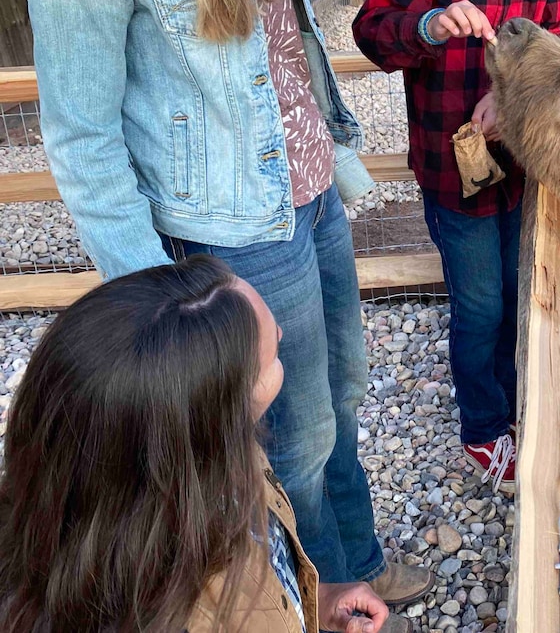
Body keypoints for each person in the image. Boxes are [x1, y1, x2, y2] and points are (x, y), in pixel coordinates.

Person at [22, 0, 432, 606]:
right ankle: (304, 598)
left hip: (309, 195)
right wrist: (158, 314)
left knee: (342, 396)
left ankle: (350, 559)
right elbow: (84, 143)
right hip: (235, 234)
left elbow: (284, 57)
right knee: (290, 434)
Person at [353, 0, 560, 494]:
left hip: (525, 160)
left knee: (519, 288)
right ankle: (485, 430)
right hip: (454, 169)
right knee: (478, 302)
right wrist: (429, 26)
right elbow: (371, 33)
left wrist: (513, 94)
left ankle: (524, 404)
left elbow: (558, 34)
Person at [0, 256, 395, 632]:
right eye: (271, 356)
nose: (281, 334)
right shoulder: (167, 616)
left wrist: (315, 602)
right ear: (215, 414)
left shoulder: (219, 456)